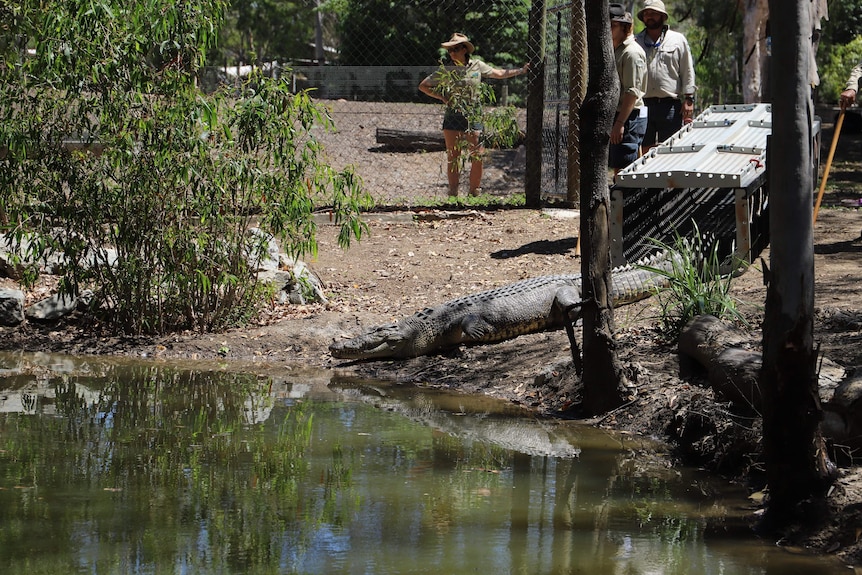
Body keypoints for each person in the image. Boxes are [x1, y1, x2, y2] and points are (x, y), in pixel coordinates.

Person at [419, 33, 529, 197]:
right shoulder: (447, 69)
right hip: (453, 115)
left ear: (464, 49)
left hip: (474, 114)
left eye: (455, 49)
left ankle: (474, 193)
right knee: (453, 156)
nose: (452, 53)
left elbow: (498, 74)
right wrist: (442, 97)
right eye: (449, 50)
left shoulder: (477, 65)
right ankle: (453, 194)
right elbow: (424, 86)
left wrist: (521, 70)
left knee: (477, 155)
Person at [634, 0, 696, 153]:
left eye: (654, 13)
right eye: (647, 14)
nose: (650, 17)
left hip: (670, 106)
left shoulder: (677, 39)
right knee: (644, 149)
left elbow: (687, 69)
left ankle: (668, 178)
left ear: (662, 17)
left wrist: (689, 99)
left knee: (670, 149)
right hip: (642, 104)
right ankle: (645, 176)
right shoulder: (636, 41)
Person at [609, 4, 648, 178]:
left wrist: (620, 123)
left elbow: (632, 92)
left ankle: (629, 203)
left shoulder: (631, 53)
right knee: (621, 165)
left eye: (613, 25)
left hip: (629, 116)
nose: (608, 29)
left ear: (625, 27)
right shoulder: (616, 49)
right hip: (621, 116)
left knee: (627, 168)